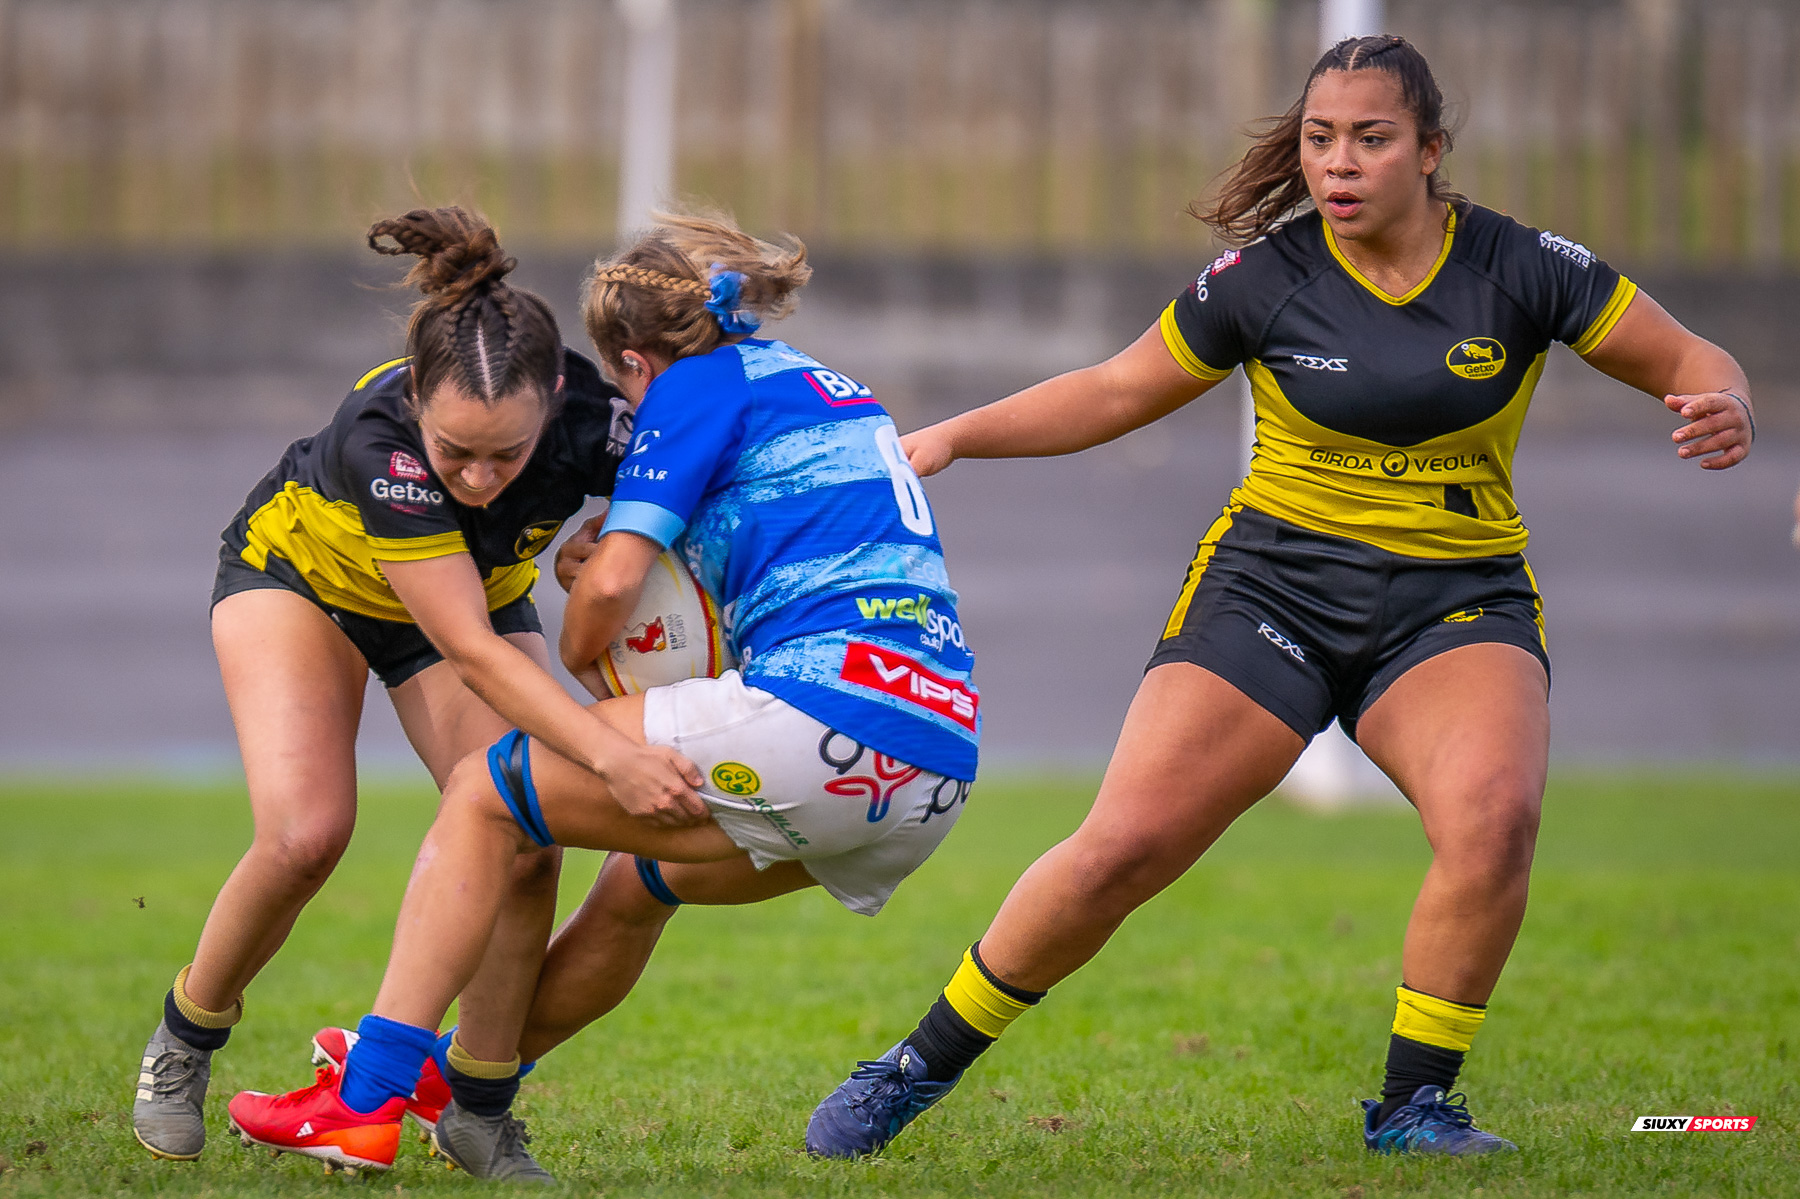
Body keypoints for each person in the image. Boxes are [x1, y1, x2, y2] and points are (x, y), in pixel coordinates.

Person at [806, 35, 1754, 1159]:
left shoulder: (1522, 265)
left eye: (1371, 138)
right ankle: (913, 1065)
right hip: (1274, 590)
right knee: (1122, 848)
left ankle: (1415, 1106)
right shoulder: (1269, 277)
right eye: (1319, 140)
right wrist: (955, 436)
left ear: (1431, 150)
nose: (1338, 164)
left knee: (1494, 823)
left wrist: (1722, 400)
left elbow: (1693, 357)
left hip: (1455, 600)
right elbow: (1115, 388)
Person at [221, 211, 980, 1181]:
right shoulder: (822, 387)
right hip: (928, 775)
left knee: (488, 794)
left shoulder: (689, 388)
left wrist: (583, 642)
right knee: (633, 887)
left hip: (830, 717)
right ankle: (465, 1093)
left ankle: (363, 1098)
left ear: (633, 356)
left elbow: (617, 585)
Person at [129, 207, 705, 1163]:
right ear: (418, 404)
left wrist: (606, 544)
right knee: (306, 834)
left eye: (506, 456)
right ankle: (185, 1039)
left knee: (524, 836)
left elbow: (695, 492)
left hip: (464, 604)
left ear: (555, 397)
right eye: (456, 454)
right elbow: (472, 651)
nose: (479, 478)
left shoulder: (596, 420)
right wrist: (610, 750)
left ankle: (477, 1103)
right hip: (303, 583)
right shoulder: (378, 437)